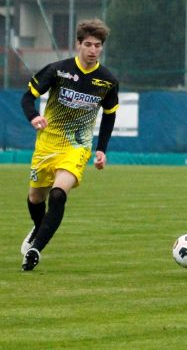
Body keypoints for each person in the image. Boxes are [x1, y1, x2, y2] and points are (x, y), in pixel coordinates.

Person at [20, 18, 119, 271]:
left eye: (97, 45)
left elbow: (109, 114)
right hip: (47, 145)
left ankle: (35, 250)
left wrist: (101, 149)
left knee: (58, 194)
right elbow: (28, 98)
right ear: (78, 44)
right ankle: (38, 230)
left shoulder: (107, 80)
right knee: (35, 198)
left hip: (77, 146)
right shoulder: (58, 70)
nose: (93, 50)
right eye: (88, 44)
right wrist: (34, 117)